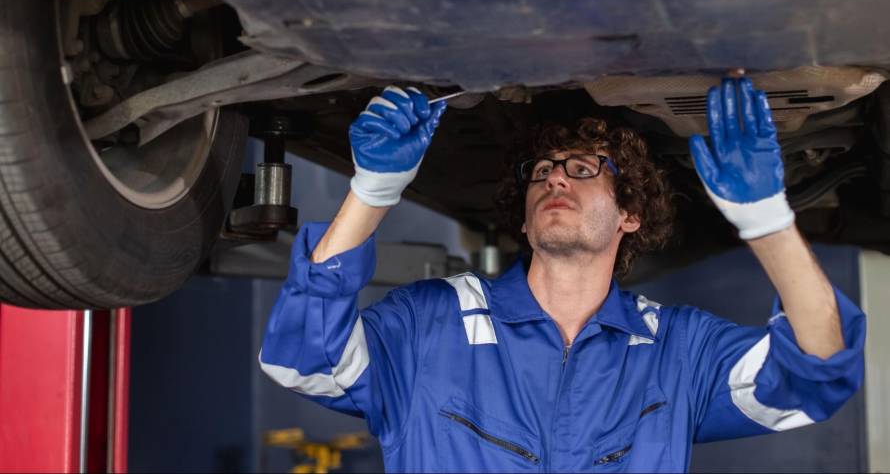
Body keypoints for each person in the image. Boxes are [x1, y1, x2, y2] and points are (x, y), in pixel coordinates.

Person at [259, 79, 865, 473]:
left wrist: (766, 219)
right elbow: (302, 360)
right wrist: (373, 188)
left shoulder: (678, 351)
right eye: (542, 171)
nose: (554, 178)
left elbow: (818, 371)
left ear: (629, 214)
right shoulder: (430, 322)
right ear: (523, 221)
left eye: (582, 168)